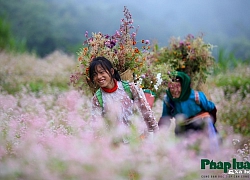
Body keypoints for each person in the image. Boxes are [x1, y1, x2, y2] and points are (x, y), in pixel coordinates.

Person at [88, 56, 159, 142]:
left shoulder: (130, 88)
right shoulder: (97, 99)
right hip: (118, 145)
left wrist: (157, 133)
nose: (99, 77)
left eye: (101, 72)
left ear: (111, 71)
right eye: (94, 75)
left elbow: (146, 111)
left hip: (139, 139)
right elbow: (96, 126)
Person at [158, 71, 218, 136]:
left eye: (178, 87)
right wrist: (159, 134)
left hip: (201, 125)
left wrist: (212, 122)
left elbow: (211, 108)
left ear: (184, 86)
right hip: (182, 128)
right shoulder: (168, 100)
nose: (175, 90)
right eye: (172, 87)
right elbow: (165, 118)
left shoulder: (197, 96)